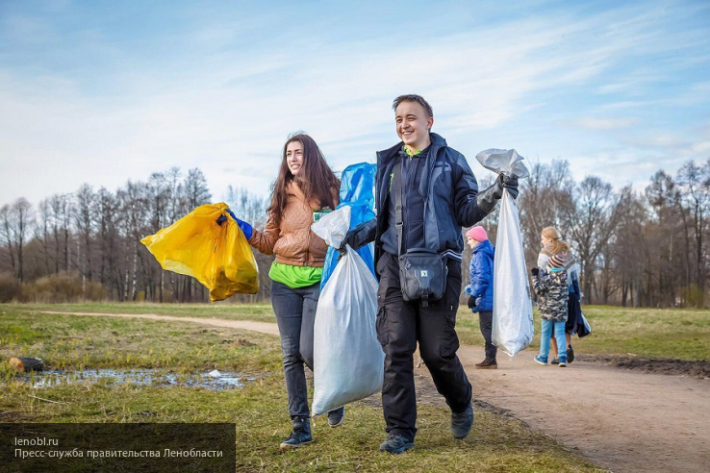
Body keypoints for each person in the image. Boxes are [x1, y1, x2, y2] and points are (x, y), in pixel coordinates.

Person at [342, 94, 518, 453]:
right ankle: (400, 431)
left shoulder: (451, 161)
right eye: (399, 119)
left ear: (429, 122)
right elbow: (387, 218)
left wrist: (496, 192)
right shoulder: (388, 165)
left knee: (437, 352)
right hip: (394, 264)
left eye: (411, 117)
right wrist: (357, 234)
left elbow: (466, 211)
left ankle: (460, 400)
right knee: (397, 346)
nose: (404, 124)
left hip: (439, 266)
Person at [227, 133, 343, 450]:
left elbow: (345, 229)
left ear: (311, 156)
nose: (293, 158)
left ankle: (334, 392)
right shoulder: (281, 193)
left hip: (319, 277)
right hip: (283, 280)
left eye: (299, 152)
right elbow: (269, 242)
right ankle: (300, 428)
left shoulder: (332, 189)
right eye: (288, 153)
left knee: (309, 350)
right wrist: (244, 228)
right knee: (290, 355)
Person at [537, 227, 581, 364]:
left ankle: (557, 355)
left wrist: (539, 293)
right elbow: (574, 274)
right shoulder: (566, 250)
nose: (541, 241)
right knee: (564, 325)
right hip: (570, 292)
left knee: (551, 327)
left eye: (543, 238)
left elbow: (542, 276)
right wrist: (577, 292)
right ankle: (566, 348)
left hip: (552, 294)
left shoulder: (544, 253)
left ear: (549, 239)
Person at [465, 226, 497, 369]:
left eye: (470, 239)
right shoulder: (488, 252)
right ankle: (490, 358)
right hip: (492, 298)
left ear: (477, 239)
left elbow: (482, 278)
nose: (468, 242)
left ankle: (490, 360)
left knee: (486, 329)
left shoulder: (480, 254)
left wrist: (474, 295)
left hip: (486, 299)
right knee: (489, 328)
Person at [531, 255, 569, 367]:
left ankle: (543, 357)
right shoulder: (565, 279)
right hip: (561, 311)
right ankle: (562, 357)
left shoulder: (549, 279)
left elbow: (539, 290)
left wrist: (534, 276)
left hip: (548, 311)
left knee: (546, 334)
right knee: (560, 333)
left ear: (551, 266)